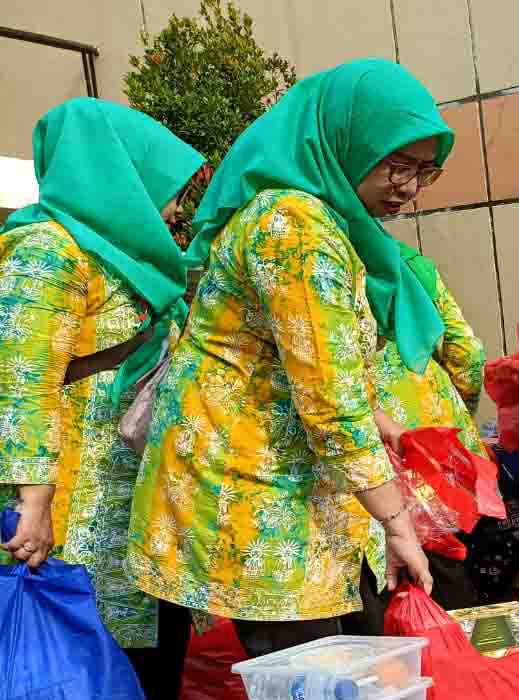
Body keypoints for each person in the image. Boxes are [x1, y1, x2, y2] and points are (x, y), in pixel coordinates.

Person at [128, 59, 448, 662]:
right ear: (343, 143)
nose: (407, 187)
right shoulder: (293, 227)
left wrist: (379, 427)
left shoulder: (328, 223)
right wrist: (399, 523)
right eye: (396, 165)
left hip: (298, 487)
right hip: (256, 496)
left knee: (345, 695)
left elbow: (308, 366)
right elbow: (328, 400)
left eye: (423, 172)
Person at [0, 100, 226, 700]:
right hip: (52, 508)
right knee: (39, 684)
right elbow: (17, 377)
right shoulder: (46, 250)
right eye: (157, 182)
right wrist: (32, 494)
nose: (172, 204)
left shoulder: (126, 258)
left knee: (148, 652)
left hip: (126, 506)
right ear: (112, 174)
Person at [347, 238, 488, 633]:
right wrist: (459, 411)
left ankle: (400, 674)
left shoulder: (333, 260)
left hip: (366, 443)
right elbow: (466, 352)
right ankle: (459, 665)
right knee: (446, 566)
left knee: (380, 578)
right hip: (431, 440)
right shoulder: (409, 265)